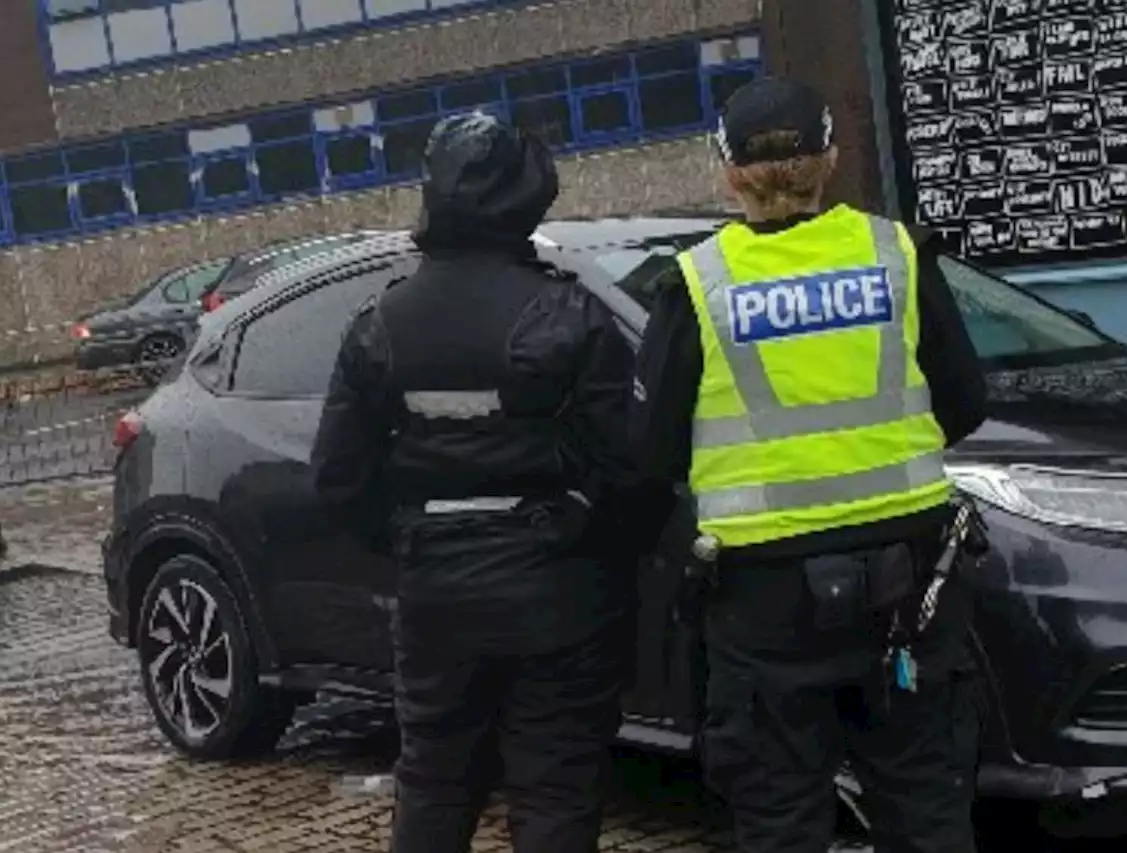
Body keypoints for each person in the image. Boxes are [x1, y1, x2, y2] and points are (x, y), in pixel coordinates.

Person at [629, 77, 990, 853]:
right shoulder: (897, 254)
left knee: (780, 816)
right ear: (830, 155)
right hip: (910, 586)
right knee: (925, 802)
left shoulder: (697, 284)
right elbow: (964, 402)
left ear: (728, 172)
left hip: (764, 601)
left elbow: (652, 448)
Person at [311, 111, 639, 853]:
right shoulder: (569, 311)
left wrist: (409, 537)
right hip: (555, 587)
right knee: (555, 784)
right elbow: (629, 465)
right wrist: (587, 536)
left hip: (437, 590)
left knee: (433, 778)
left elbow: (337, 476)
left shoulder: (380, 322)